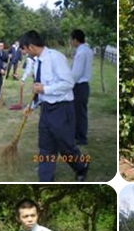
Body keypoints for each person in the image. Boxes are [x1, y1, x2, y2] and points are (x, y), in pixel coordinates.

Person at [20, 30, 89, 182]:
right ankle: (45, 178)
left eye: (24, 49)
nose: (25, 53)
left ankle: (81, 166)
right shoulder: (38, 62)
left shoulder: (56, 58)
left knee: (66, 146)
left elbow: (68, 83)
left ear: (31, 46)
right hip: (46, 109)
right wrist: (30, 106)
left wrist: (45, 89)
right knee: (45, 146)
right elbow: (39, 89)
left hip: (62, 109)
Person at [70, 29, 94, 145]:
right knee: (79, 111)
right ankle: (77, 134)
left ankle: (81, 137)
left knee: (79, 112)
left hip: (79, 85)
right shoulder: (87, 50)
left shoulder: (81, 52)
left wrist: (69, 83)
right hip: (83, 85)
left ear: (75, 39)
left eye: (71, 40)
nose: (71, 42)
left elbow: (76, 73)